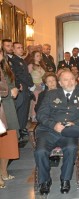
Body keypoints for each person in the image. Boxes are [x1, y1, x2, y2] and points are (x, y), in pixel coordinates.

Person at [34, 71, 79, 195]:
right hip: (48, 131)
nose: (69, 82)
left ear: (76, 81)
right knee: (40, 151)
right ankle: (45, 180)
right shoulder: (51, 94)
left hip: (69, 132)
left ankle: (65, 179)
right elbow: (41, 114)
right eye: (65, 80)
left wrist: (74, 124)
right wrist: (53, 125)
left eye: (71, 79)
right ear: (60, 83)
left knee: (71, 148)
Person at [0, 46, 20, 188]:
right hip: (1, 107)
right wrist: (9, 91)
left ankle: (4, 172)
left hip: (8, 107)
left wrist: (15, 89)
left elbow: (11, 83)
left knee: (8, 140)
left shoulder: (4, 67)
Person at [10, 42, 34, 139]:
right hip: (21, 88)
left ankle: (22, 128)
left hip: (26, 88)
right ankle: (19, 131)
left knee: (25, 110)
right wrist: (31, 84)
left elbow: (27, 74)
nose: (21, 49)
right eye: (18, 48)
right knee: (21, 110)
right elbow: (20, 75)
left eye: (21, 47)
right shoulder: (14, 60)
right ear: (14, 50)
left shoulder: (21, 60)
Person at [28, 51, 46, 122]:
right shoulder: (31, 66)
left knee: (41, 101)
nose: (39, 57)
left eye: (40, 55)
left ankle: (40, 116)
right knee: (35, 101)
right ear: (33, 57)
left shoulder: (41, 65)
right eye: (37, 56)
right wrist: (32, 85)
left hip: (42, 86)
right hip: (35, 86)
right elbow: (28, 76)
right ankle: (33, 116)